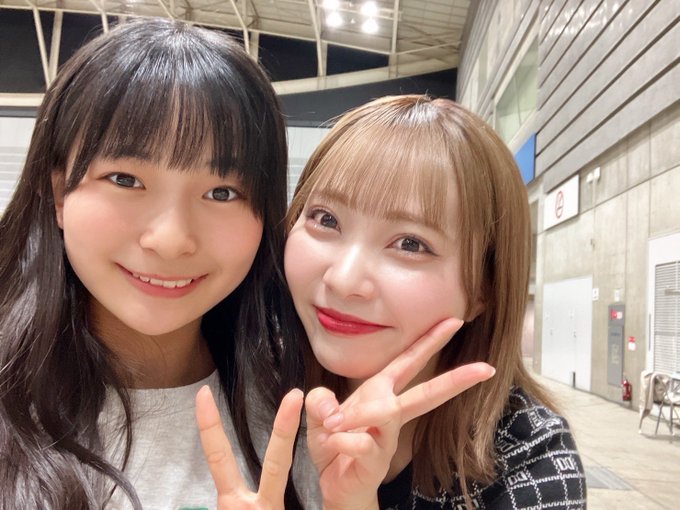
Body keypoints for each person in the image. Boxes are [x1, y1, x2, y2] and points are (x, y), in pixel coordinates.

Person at [0, 19, 306, 509]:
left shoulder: (301, 411)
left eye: (221, 192)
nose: (170, 240)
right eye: (125, 179)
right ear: (59, 193)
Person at [283, 95, 587, 509]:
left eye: (411, 243)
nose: (343, 279)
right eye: (326, 218)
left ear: (482, 290)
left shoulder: (529, 456)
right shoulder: (252, 388)